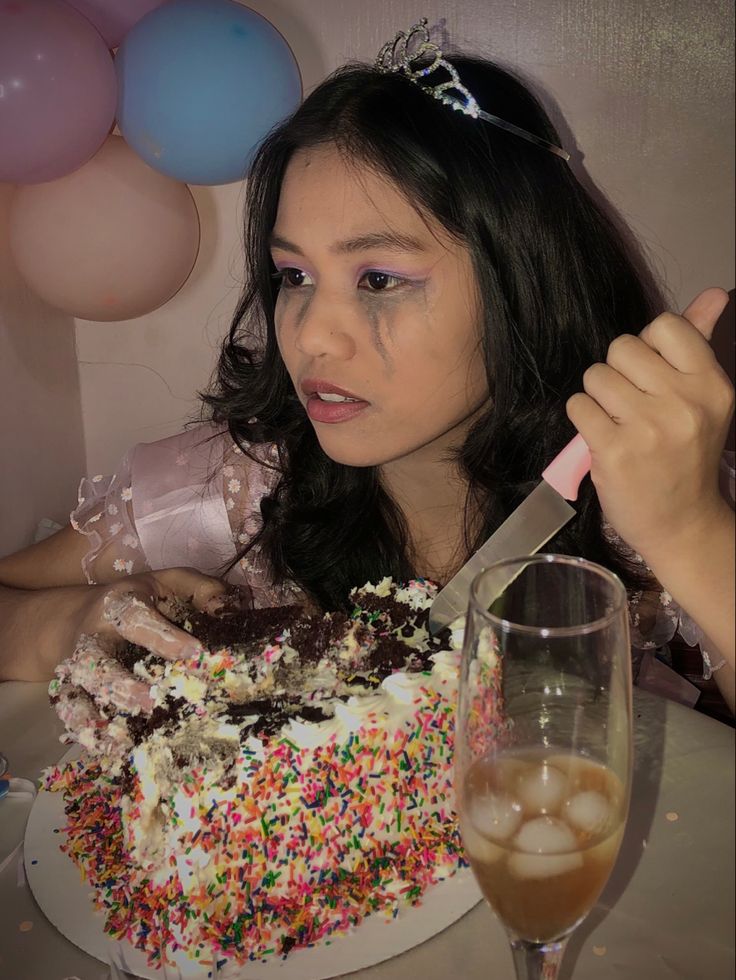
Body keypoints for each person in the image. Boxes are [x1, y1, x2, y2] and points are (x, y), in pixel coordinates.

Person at [1, 20, 734, 712]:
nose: (311, 336)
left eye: (379, 279)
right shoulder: (225, 487)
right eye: (293, 276)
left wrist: (691, 532)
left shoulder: (648, 489)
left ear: (524, 284)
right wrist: (69, 625)